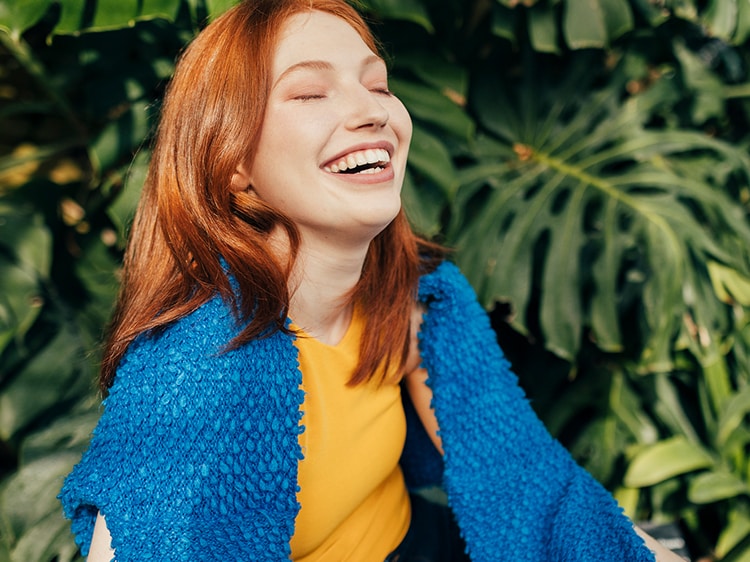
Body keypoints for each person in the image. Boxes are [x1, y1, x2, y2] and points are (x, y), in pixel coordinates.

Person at [59, 1, 685, 560]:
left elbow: (521, 480)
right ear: (235, 167)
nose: (372, 110)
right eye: (310, 94)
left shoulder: (421, 298)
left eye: (378, 84)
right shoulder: (194, 376)